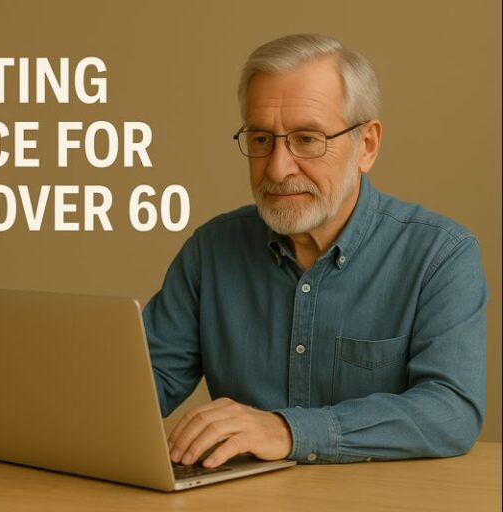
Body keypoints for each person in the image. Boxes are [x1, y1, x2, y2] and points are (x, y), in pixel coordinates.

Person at [143, 34, 488, 467]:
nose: (278, 167)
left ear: (367, 146)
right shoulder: (209, 252)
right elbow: (142, 384)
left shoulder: (441, 255)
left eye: (307, 139)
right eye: (261, 139)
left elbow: (451, 411)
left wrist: (287, 431)